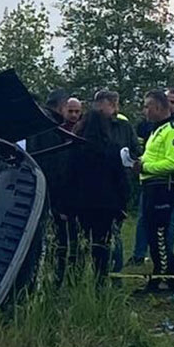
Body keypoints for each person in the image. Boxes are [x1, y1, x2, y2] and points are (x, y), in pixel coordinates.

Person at [63, 109, 130, 286]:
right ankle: (100, 281)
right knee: (102, 245)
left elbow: (68, 177)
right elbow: (121, 179)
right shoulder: (113, 148)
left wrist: (65, 205)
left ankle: (75, 282)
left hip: (81, 204)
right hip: (106, 206)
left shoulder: (75, 149)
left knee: (79, 245)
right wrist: (122, 204)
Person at [133, 90, 174, 293]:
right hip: (150, 186)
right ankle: (162, 278)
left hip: (163, 188)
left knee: (160, 236)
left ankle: (168, 280)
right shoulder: (157, 129)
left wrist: (145, 168)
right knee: (151, 234)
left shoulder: (173, 130)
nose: (144, 110)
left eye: (147, 106)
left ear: (158, 107)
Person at [26, 91, 76, 287]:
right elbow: (55, 166)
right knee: (54, 242)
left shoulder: (35, 126)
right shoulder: (51, 128)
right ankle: (50, 282)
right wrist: (61, 201)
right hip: (50, 196)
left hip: (36, 191)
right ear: (61, 106)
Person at [91, 90, 140, 275]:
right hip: (96, 187)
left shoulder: (124, 126)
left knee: (115, 232)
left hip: (119, 184)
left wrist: (130, 163)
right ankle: (100, 272)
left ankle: (116, 273)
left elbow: (135, 149)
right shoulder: (92, 126)